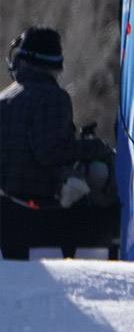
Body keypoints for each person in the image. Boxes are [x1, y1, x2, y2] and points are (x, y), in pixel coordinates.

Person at [0, 28, 78, 261]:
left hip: (6, 215)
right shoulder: (54, 98)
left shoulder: (4, 98)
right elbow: (50, 152)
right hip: (39, 216)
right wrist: (93, 149)